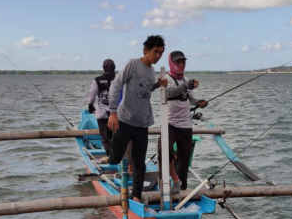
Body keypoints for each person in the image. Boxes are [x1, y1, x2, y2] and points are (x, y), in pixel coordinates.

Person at [107, 35, 168, 201]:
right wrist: (112, 112)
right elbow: (116, 85)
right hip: (125, 119)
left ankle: (136, 196)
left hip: (142, 123)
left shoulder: (151, 71)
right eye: (155, 52)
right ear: (146, 50)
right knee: (116, 157)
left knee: (139, 163)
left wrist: (158, 85)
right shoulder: (132, 64)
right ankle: (112, 159)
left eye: (161, 53)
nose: (158, 56)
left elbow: (146, 90)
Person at [164, 50, 207, 190]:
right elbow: (168, 93)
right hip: (169, 124)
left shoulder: (185, 79)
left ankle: (182, 187)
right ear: (171, 63)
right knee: (165, 152)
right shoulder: (166, 78)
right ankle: (168, 181)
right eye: (178, 62)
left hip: (185, 125)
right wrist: (186, 85)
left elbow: (192, 99)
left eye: (183, 62)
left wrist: (200, 102)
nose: (181, 64)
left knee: (184, 158)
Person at [85, 58, 116, 158]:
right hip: (116, 114)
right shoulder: (118, 80)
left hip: (102, 114)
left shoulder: (97, 80)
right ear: (114, 68)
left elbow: (91, 96)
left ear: (103, 68)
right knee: (115, 137)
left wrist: (90, 106)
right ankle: (116, 157)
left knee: (105, 138)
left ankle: (111, 157)